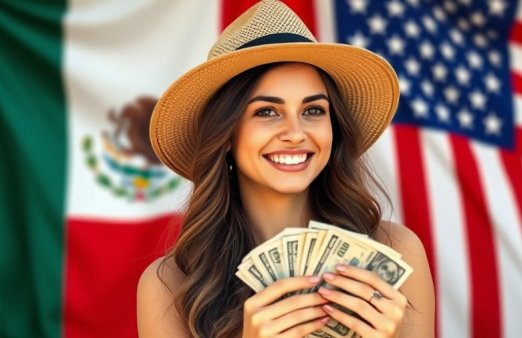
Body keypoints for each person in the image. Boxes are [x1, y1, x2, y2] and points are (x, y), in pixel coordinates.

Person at [137, 1, 435, 337]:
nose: (295, 133)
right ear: (225, 136)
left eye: (313, 110)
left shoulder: (398, 250)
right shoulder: (169, 285)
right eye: (266, 112)